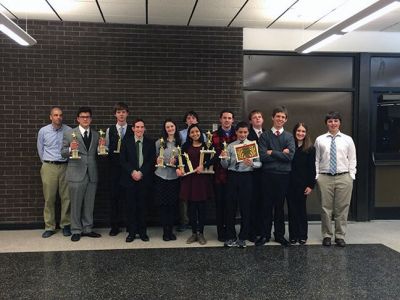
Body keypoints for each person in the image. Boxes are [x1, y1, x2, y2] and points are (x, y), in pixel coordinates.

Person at [315, 111, 356, 247]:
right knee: (325, 208)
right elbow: (316, 159)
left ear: (340, 122)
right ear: (326, 123)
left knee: (342, 208)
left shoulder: (348, 139)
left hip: (344, 177)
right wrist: (317, 176)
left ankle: (340, 236)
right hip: (325, 177)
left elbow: (352, 159)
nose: (333, 123)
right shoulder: (320, 139)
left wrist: (351, 176)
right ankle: (327, 235)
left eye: (336, 120)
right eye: (330, 121)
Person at [61, 107, 102, 242]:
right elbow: (62, 153)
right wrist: (70, 149)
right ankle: (76, 230)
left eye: (88, 117)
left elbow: (99, 152)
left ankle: (88, 228)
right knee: (76, 204)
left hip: (92, 173)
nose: (85, 119)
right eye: (82, 117)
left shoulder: (96, 135)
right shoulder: (69, 134)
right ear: (78, 119)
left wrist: (103, 147)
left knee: (89, 204)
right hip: (75, 173)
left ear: (91, 119)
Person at [256, 106, 295, 247]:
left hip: (283, 176)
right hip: (267, 175)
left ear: (286, 120)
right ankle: (264, 235)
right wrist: (280, 153)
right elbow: (262, 156)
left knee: (279, 207)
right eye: (278, 116)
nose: (280, 119)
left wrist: (272, 152)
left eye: (283, 117)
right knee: (266, 206)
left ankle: (279, 235)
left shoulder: (289, 136)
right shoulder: (265, 136)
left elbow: (290, 156)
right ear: (272, 118)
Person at [220, 121, 261, 248]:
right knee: (230, 207)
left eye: (245, 132)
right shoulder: (230, 146)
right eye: (240, 132)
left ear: (248, 132)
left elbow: (260, 164)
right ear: (236, 132)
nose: (242, 134)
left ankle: (243, 237)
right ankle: (231, 236)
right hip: (233, 176)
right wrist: (224, 159)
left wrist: (252, 164)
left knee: (245, 208)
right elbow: (225, 166)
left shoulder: (253, 145)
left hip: (246, 177)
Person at [37, 106, 72, 238]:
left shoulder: (69, 130)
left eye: (60, 115)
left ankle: (65, 225)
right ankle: (49, 227)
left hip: (65, 166)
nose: (58, 117)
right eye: (55, 115)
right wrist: (47, 163)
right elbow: (40, 149)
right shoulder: (43, 131)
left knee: (66, 197)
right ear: (50, 117)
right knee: (49, 198)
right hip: (49, 166)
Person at [120, 119, 156, 243]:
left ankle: (142, 232)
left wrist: (141, 172)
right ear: (133, 129)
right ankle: (131, 232)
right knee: (130, 207)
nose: (139, 129)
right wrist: (132, 172)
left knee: (143, 207)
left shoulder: (150, 143)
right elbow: (123, 160)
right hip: (129, 180)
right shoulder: (126, 142)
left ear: (144, 129)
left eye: (142, 127)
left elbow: (151, 161)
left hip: (144, 180)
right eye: (137, 127)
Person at [177, 124, 213, 245]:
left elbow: (213, 158)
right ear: (189, 134)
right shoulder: (185, 146)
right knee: (191, 209)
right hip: (189, 180)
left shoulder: (206, 145)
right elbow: (179, 160)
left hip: (202, 181)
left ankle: (201, 233)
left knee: (202, 208)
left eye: (197, 131)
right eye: (192, 132)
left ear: (200, 133)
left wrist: (204, 165)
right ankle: (193, 233)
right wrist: (178, 167)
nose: (195, 134)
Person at [287, 122, 316, 245]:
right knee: (291, 210)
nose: (300, 133)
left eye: (303, 131)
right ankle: (293, 235)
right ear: (294, 132)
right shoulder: (289, 146)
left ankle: (303, 235)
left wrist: (311, 185)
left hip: (303, 184)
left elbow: (312, 168)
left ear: (306, 133)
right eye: (298, 131)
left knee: (301, 210)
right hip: (289, 183)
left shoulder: (310, 148)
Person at [105, 102, 131, 236]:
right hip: (114, 170)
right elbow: (107, 148)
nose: (121, 114)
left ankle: (129, 224)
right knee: (114, 198)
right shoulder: (110, 130)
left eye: (123, 112)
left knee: (128, 197)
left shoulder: (133, 129)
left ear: (127, 114)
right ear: (115, 114)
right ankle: (114, 226)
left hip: (128, 170)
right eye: (118, 112)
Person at [211, 110, 236, 242]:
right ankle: (221, 233)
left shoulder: (238, 135)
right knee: (220, 206)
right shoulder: (214, 136)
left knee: (232, 206)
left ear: (233, 120)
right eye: (224, 118)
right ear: (220, 120)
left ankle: (231, 232)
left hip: (234, 177)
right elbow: (211, 155)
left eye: (229, 118)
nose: (227, 120)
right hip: (219, 177)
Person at [177, 110, 204, 232]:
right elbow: (179, 153)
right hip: (186, 171)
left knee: (198, 201)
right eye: (188, 118)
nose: (191, 120)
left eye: (193, 118)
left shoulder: (203, 136)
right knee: (185, 199)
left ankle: (198, 225)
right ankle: (186, 222)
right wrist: (179, 167)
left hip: (200, 172)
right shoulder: (180, 135)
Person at [155, 119, 181, 241]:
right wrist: (159, 161)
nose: (170, 129)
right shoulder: (159, 143)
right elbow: (155, 159)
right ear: (164, 129)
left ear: (175, 127)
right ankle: (165, 231)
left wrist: (176, 164)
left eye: (172, 126)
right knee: (163, 205)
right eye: (167, 127)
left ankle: (171, 230)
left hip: (174, 178)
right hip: (161, 177)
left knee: (172, 205)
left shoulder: (181, 143)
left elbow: (183, 161)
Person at [247, 109, 265, 242]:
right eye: (255, 117)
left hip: (266, 174)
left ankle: (262, 230)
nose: (257, 119)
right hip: (251, 174)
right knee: (251, 204)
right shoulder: (247, 134)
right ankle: (251, 232)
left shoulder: (268, 134)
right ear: (251, 121)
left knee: (263, 204)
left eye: (259, 117)